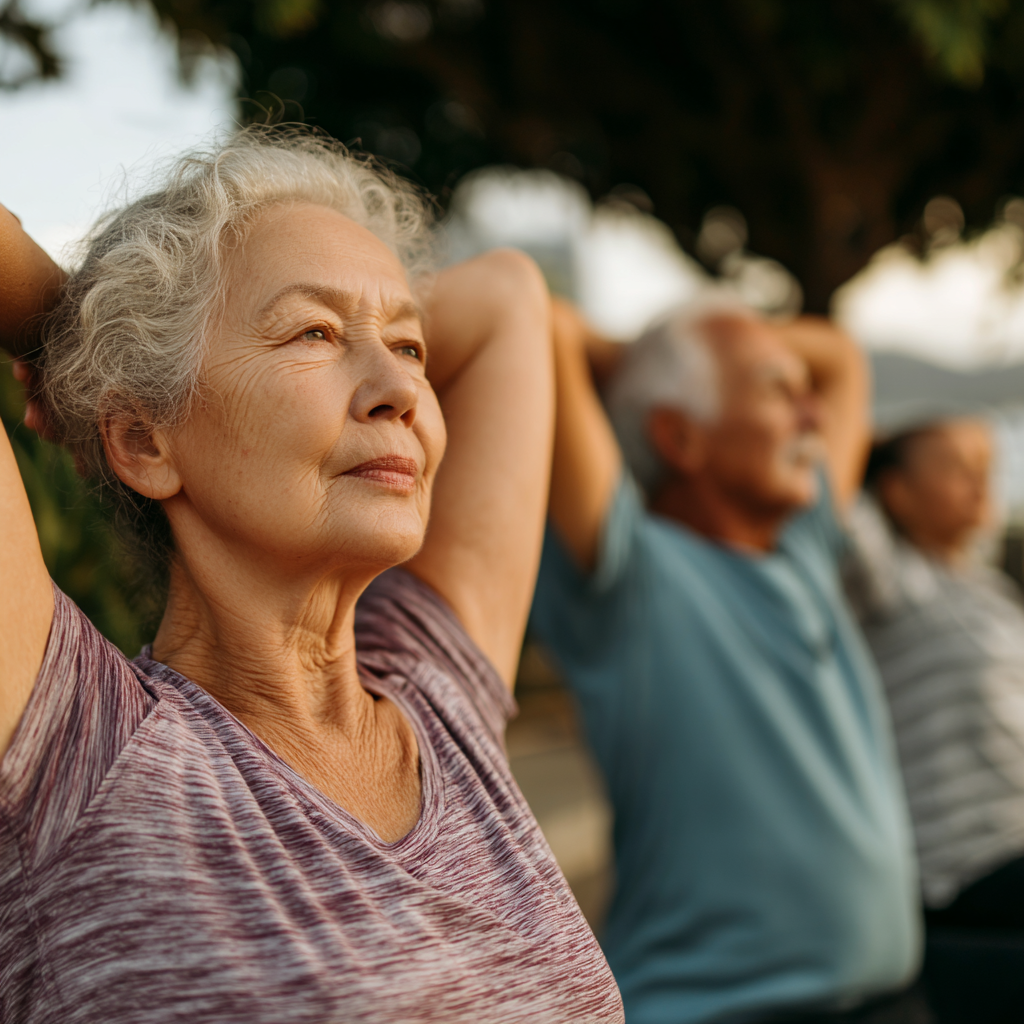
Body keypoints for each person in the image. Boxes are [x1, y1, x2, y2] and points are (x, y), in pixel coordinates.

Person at [0, 128, 624, 1024]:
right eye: (314, 333)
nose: (401, 390)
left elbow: (508, 299)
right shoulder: (75, 750)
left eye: (410, 348)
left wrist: (121, 343)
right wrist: (102, 341)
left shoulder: (438, 695)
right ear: (143, 441)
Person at [530, 298, 924, 1024]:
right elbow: (538, 319)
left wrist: (718, 352)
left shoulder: (803, 547)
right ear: (678, 436)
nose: (813, 418)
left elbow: (839, 356)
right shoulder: (626, 577)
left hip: (885, 1003)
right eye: (779, 391)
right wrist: (647, 359)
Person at [845, 418, 1024, 1022]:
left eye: (985, 465)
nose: (980, 482)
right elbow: (838, 500)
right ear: (894, 492)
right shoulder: (887, 579)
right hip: (960, 862)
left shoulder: (990, 591)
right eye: (955, 466)